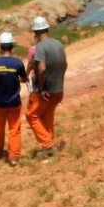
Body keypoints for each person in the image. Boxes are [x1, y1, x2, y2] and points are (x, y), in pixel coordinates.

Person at [25, 16, 67, 157]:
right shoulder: (59, 44)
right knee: (47, 115)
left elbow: (41, 69)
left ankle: (48, 145)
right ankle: (50, 144)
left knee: (31, 115)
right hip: (58, 89)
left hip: (45, 91)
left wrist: (42, 88)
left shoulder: (41, 47)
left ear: (36, 33)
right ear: (47, 29)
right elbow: (65, 65)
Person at [0, 32, 27, 166]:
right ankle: (13, 157)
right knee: (14, 130)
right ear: (12, 46)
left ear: (0, 47)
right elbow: (24, 79)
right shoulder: (18, 64)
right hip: (14, 103)